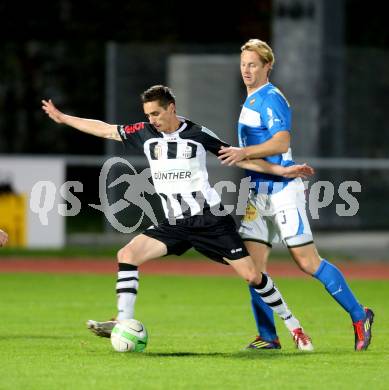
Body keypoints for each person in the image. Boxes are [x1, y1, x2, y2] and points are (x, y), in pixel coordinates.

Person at [42, 85, 314, 350]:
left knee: (254, 276)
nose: (151, 120)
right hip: (175, 224)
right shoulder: (145, 133)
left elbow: (238, 157)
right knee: (127, 254)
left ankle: (295, 327)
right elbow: (105, 129)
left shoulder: (197, 133)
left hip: (210, 220)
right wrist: (64, 118)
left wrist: (281, 171)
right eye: (148, 115)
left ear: (171, 108)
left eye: (156, 114)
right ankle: (123, 320)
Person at [218, 39, 374, 351]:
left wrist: (244, 152)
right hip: (258, 193)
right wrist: (241, 157)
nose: (246, 70)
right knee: (253, 270)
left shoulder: (271, 98)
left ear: (267, 67)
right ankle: (269, 336)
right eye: (243, 64)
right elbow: (251, 156)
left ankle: (360, 315)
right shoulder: (249, 101)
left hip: (284, 193)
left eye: (253, 65)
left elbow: (280, 142)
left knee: (307, 262)